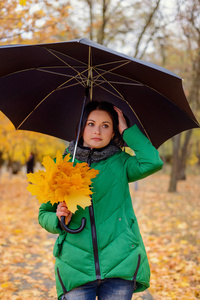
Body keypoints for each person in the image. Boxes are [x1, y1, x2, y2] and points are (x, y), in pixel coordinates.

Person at [38, 101, 163, 300]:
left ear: (114, 132)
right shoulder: (62, 165)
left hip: (120, 263)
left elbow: (153, 162)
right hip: (75, 267)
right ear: (81, 128)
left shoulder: (121, 163)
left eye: (106, 125)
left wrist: (127, 130)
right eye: (91, 124)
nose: (97, 131)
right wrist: (58, 218)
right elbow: (44, 213)